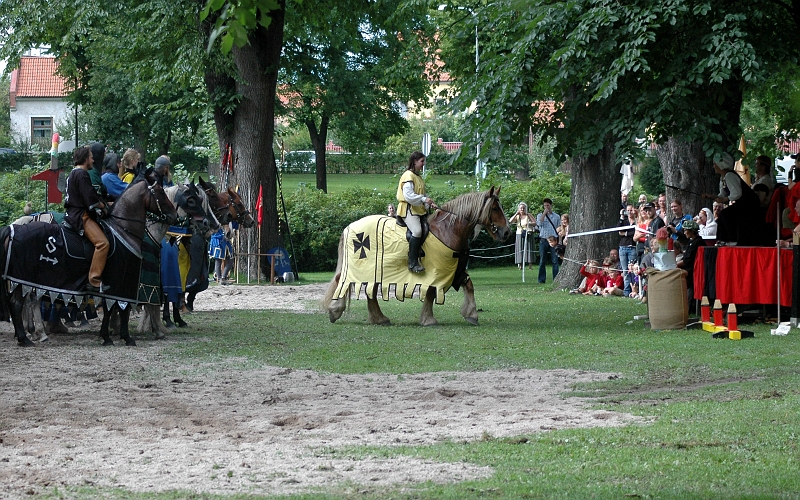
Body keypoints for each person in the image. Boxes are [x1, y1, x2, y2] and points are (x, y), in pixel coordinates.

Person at [64, 146, 110, 294]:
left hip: (71, 213)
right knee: (103, 243)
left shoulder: (72, 174)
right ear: (85, 159)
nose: (93, 160)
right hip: (80, 216)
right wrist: (104, 205)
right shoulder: (82, 174)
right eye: (90, 157)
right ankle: (94, 281)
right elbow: (90, 198)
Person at [703, 152, 761, 246]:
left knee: (725, 214)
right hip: (742, 204)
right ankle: (723, 239)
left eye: (715, 164)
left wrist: (724, 199)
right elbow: (722, 194)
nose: (714, 166)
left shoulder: (730, 176)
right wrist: (711, 196)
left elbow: (737, 193)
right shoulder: (723, 178)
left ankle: (731, 239)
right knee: (724, 214)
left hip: (749, 204)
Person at [396, 151, 437, 273]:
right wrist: (424, 199)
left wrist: (429, 203)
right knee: (417, 231)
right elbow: (409, 196)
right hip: (408, 209)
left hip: (419, 209)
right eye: (422, 161)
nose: (423, 164)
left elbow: (421, 195)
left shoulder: (418, 177)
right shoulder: (408, 175)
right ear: (415, 161)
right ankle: (412, 263)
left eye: (424, 161)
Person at [676, 219, 705, 313]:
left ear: (692, 231)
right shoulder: (691, 241)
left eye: (686, 230)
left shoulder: (698, 242)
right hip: (689, 266)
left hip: (694, 269)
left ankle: (688, 306)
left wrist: (675, 265)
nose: (684, 232)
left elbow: (687, 260)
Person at [536, 198, 560, 283]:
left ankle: (556, 279)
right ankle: (541, 279)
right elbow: (539, 224)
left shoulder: (556, 216)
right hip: (543, 240)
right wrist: (544, 213)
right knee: (542, 260)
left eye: (548, 205)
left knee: (555, 260)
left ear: (551, 206)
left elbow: (558, 228)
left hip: (553, 240)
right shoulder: (540, 215)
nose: (546, 207)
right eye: (545, 205)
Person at [618, 204, 637, 297]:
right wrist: (621, 217)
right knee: (625, 271)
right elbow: (618, 229)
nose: (629, 212)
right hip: (622, 247)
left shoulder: (637, 221)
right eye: (628, 210)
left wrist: (625, 233)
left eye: (631, 210)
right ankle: (626, 291)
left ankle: (634, 290)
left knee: (632, 270)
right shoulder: (624, 221)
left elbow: (634, 233)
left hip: (632, 248)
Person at [509, 202, 536, 270]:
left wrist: (529, 224)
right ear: (518, 209)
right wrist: (516, 214)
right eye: (521, 208)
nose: (522, 209)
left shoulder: (528, 215)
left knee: (529, 248)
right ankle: (520, 265)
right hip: (519, 234)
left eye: (523, 208)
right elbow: (510, 221)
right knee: (519, 249)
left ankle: (530, 265)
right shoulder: (517, 216)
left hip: (528, 233)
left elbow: (535, 223)